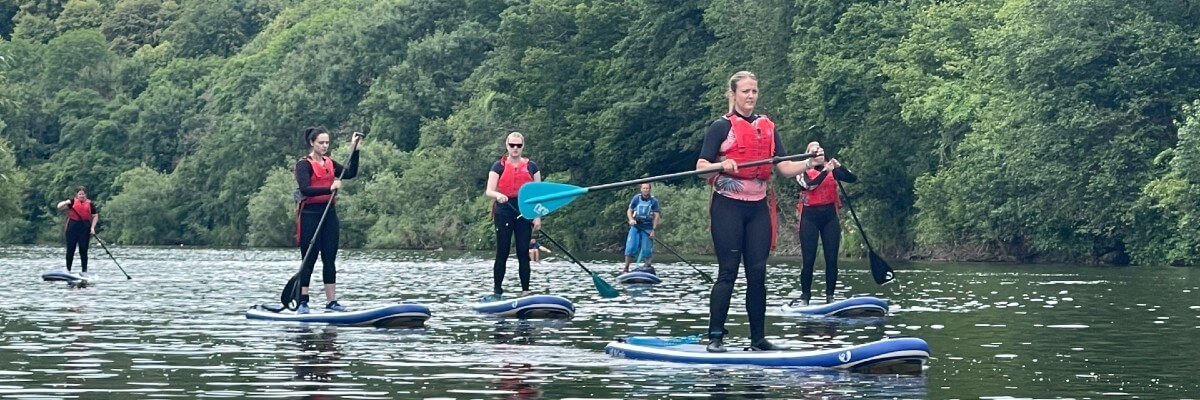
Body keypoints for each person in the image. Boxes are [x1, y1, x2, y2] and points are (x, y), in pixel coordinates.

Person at [696, 71, 809, 353]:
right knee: (728, 272)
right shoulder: (720, 127)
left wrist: (809, 162)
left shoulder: (767, 127)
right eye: (745, 91)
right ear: (732, 94)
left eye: (754, 92)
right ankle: (715, 337)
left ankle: (758, 339)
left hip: (757, 207)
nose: (750, 96)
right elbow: (700, 168)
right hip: (727, 206)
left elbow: (783, 168)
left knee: (757, 273)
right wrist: (721, 165)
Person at [294, 127, 361, 314]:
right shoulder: (303, 165)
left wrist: (355, 150)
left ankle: (331, 302)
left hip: (329, 214)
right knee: (309, 258)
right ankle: (303, 301)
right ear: (312, 143)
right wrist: (330, 188)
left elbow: (350, 173)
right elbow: (305, 189)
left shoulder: (330, 163)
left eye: (327, 143)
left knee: (329, 258)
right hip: (310, 215)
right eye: (321, 143)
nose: (324, 146)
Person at [795, 141, 857, 306]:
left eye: (820, 151)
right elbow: (810, 185)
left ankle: (830, 296)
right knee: (809, 260)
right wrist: (826, 170)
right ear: (808, 154)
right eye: (814, 151)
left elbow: (852, 178)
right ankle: (805, 297)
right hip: (809, 218)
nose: (818, 153)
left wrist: (839, 167)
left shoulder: (831, 170)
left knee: (832, 260)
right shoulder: (802, 171)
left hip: (830, 217)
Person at [484, 132, 542, 301]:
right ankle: (497, 290)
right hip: (504, 210)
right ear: (507, 146)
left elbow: (538, 194)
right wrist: (497, 195)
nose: (515, 148)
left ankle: (525, 291)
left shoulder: (532, 167)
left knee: (523, 251)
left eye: (518, 145)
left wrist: (537, 217)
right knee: (502, 251)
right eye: (512, 145)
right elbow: (489, 190)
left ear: (523, 146)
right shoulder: (498, 166)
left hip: (524, 211)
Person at [56, 186, 98, 277]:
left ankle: (84, 270)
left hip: (84, 228)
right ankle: (68, 269)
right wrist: (66, 202)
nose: (81, 196)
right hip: (72, 227)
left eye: (83, 194)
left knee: (83, 250)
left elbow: (95, 216)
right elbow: (59, 207)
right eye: (80, 194)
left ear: (85, 194)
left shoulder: (90, 204)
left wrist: (92, 228)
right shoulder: (72, 202)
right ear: (77, 195)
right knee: (70, 249)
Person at [623, 183, 660, 273]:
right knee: (631, 247)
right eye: (644, 188)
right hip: (636, 225)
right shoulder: (636, 198)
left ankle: (647, 267)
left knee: (647, 249)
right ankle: (626, 268)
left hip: (647, 227)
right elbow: (629, 211)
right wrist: (631, 219)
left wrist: (653, 230)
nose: (645, 190)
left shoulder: (654, 201)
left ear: (649, 189)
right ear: (641, 189)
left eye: (647, 188)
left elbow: (656, 215)